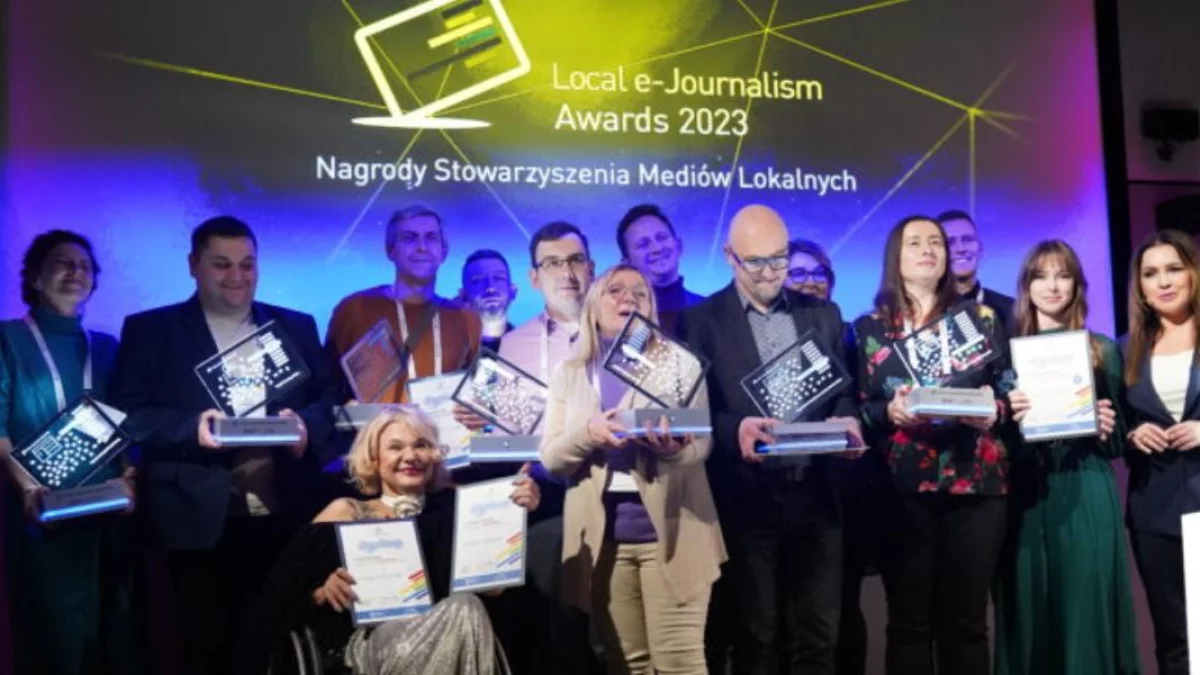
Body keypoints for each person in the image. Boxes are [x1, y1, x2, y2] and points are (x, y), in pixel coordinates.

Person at [109, 216, 336, 675]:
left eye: (247, 264)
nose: (237, 276)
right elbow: (124, 414)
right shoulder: (152, 329)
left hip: (283, 511)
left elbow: (330, 398)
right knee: (205, 647)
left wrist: (306, 427)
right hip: (194, 515)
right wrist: (190, 427)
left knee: (279, 643)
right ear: (193, 265)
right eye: (222, 264)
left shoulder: (295, 325)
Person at [680, 205, 862, 675]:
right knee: (756, 638)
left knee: (819, 637)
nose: (769, 272)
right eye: (756, 261)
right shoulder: (701, 320)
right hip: (747, 497)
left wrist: (849, 422)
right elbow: (694, 410)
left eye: (778, 259)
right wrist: (732, 428)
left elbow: (842, 393)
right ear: (730, 256)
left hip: (816, 492)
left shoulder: (822, 313)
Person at [252, 407, 541, 675]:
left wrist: (514, 511)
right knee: (464, 609)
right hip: (372, 644)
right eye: (395, 447)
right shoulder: (347, 512)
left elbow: (495, 591)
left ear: (434, 456)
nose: (410, 456)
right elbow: (278, 600)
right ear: (374, 459)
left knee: (466, 606)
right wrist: (323, 592)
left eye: (421, 445)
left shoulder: (458, 510)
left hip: (458, 630)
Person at [540, 262, 723, 675]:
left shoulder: (680, 363)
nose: (630, 298)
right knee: (627, 666)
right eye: (616, 290)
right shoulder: (571, 373)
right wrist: (589, 433)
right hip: (604, 543)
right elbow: (552, 459)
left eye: (641, 293)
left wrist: (673, 450)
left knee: (679, 665)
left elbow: (703, 444)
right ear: (593, 305)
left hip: (673, 532)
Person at [854, 215, 1012, 675]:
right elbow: (860, 409)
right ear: (895, 257)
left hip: (975, 485)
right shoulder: (869, 329)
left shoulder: (980, 319)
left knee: (966, 624)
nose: (928, 250)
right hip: (902, 488)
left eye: (936, 243)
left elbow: (1009, 392)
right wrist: (888, 412)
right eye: (915, 243)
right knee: (909, 624)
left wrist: (994, 408)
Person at [993, 239, 1140, 675]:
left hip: (1086, 487)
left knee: (1085, 607)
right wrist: (1012, 420)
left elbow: (1118, 442)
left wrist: (1105, 426)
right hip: (1027, 493)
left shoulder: (1102, 349)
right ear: (1026, 286)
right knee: (1030, 610)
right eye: (1041, 276)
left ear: (1077, 285)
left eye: (1063, 275)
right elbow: (997, 444)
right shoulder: (1006, 355)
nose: (1053, 286)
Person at [0, 230, 140, 675]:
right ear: (35, 277)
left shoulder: (107, 347)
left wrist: (130, 479)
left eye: (84, 266)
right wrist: (27, 489)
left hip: (107, 514)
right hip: (40, 513)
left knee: (114, 638)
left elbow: (129, 423)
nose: (75, 272)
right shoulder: (6, 339)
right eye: (62, 263)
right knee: (54, 642)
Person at [494, 221, 598, 675]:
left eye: (575, 260)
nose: (567, 273)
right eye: (553, 263)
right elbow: (509, 433)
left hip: (613, 489)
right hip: (546, 497)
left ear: (592, 267)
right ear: (534, 277)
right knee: (557, 630)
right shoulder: (513, 343)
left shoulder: (619, 330)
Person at [786, 237, 887, 675]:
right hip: (790, 492)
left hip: (847, 492)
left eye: (818, 273)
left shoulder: (853, 336)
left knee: (843, 606)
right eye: (797, 273)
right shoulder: (771, 342)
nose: (809, 282)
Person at [1124, 229, 1200, 675]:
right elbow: (1115, 425)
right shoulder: (1124, 349)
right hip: (1153, 509)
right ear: (1140, 287)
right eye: (1151, 274)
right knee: (1175, 639)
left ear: (1193, 273)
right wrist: (1133, 434)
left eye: (1174, 269)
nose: (1164, 281)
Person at [326, 205, 482, 403]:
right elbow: (327, 387)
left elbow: (476, 396)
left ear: (444, 251)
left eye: (431, 238)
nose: (422, 247)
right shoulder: (355, 309)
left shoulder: (467, 319)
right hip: (372, 423)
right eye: (409, 238)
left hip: (440, 424)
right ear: (390, 250)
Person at [617, 204, 704, 335]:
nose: (657, 248)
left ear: (679, 245)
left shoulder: (709, 310)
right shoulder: (621, 317)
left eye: (662, 237)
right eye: (643, 244)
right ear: (626, 263)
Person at [938, 210, 1015, 329]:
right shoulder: (924, 311)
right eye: (950, 242)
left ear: (980, 248)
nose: (960, 248)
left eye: (967, 239)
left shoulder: (1012, 310)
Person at [459, 249, 517, 354]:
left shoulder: (531, 348)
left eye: (499, 278)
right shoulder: (445, 351)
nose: (490, 288)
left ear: (513, 291)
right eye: (478, 280)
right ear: (463, 296)